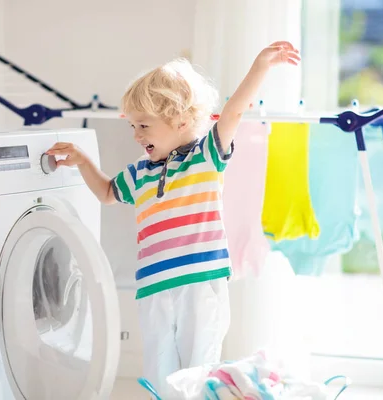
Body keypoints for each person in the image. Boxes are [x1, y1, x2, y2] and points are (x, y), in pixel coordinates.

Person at [46, 41, 300, 396]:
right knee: (161, 375)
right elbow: (107, 193)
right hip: (153, 286)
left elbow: (233, 114)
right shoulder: (140, 173)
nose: (136, 135)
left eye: (144, 126)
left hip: (200, 282)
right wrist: (82, 159)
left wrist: (260, 67)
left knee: (198, 371)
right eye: (134, 126)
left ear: (181, 120)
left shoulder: (205, 157)